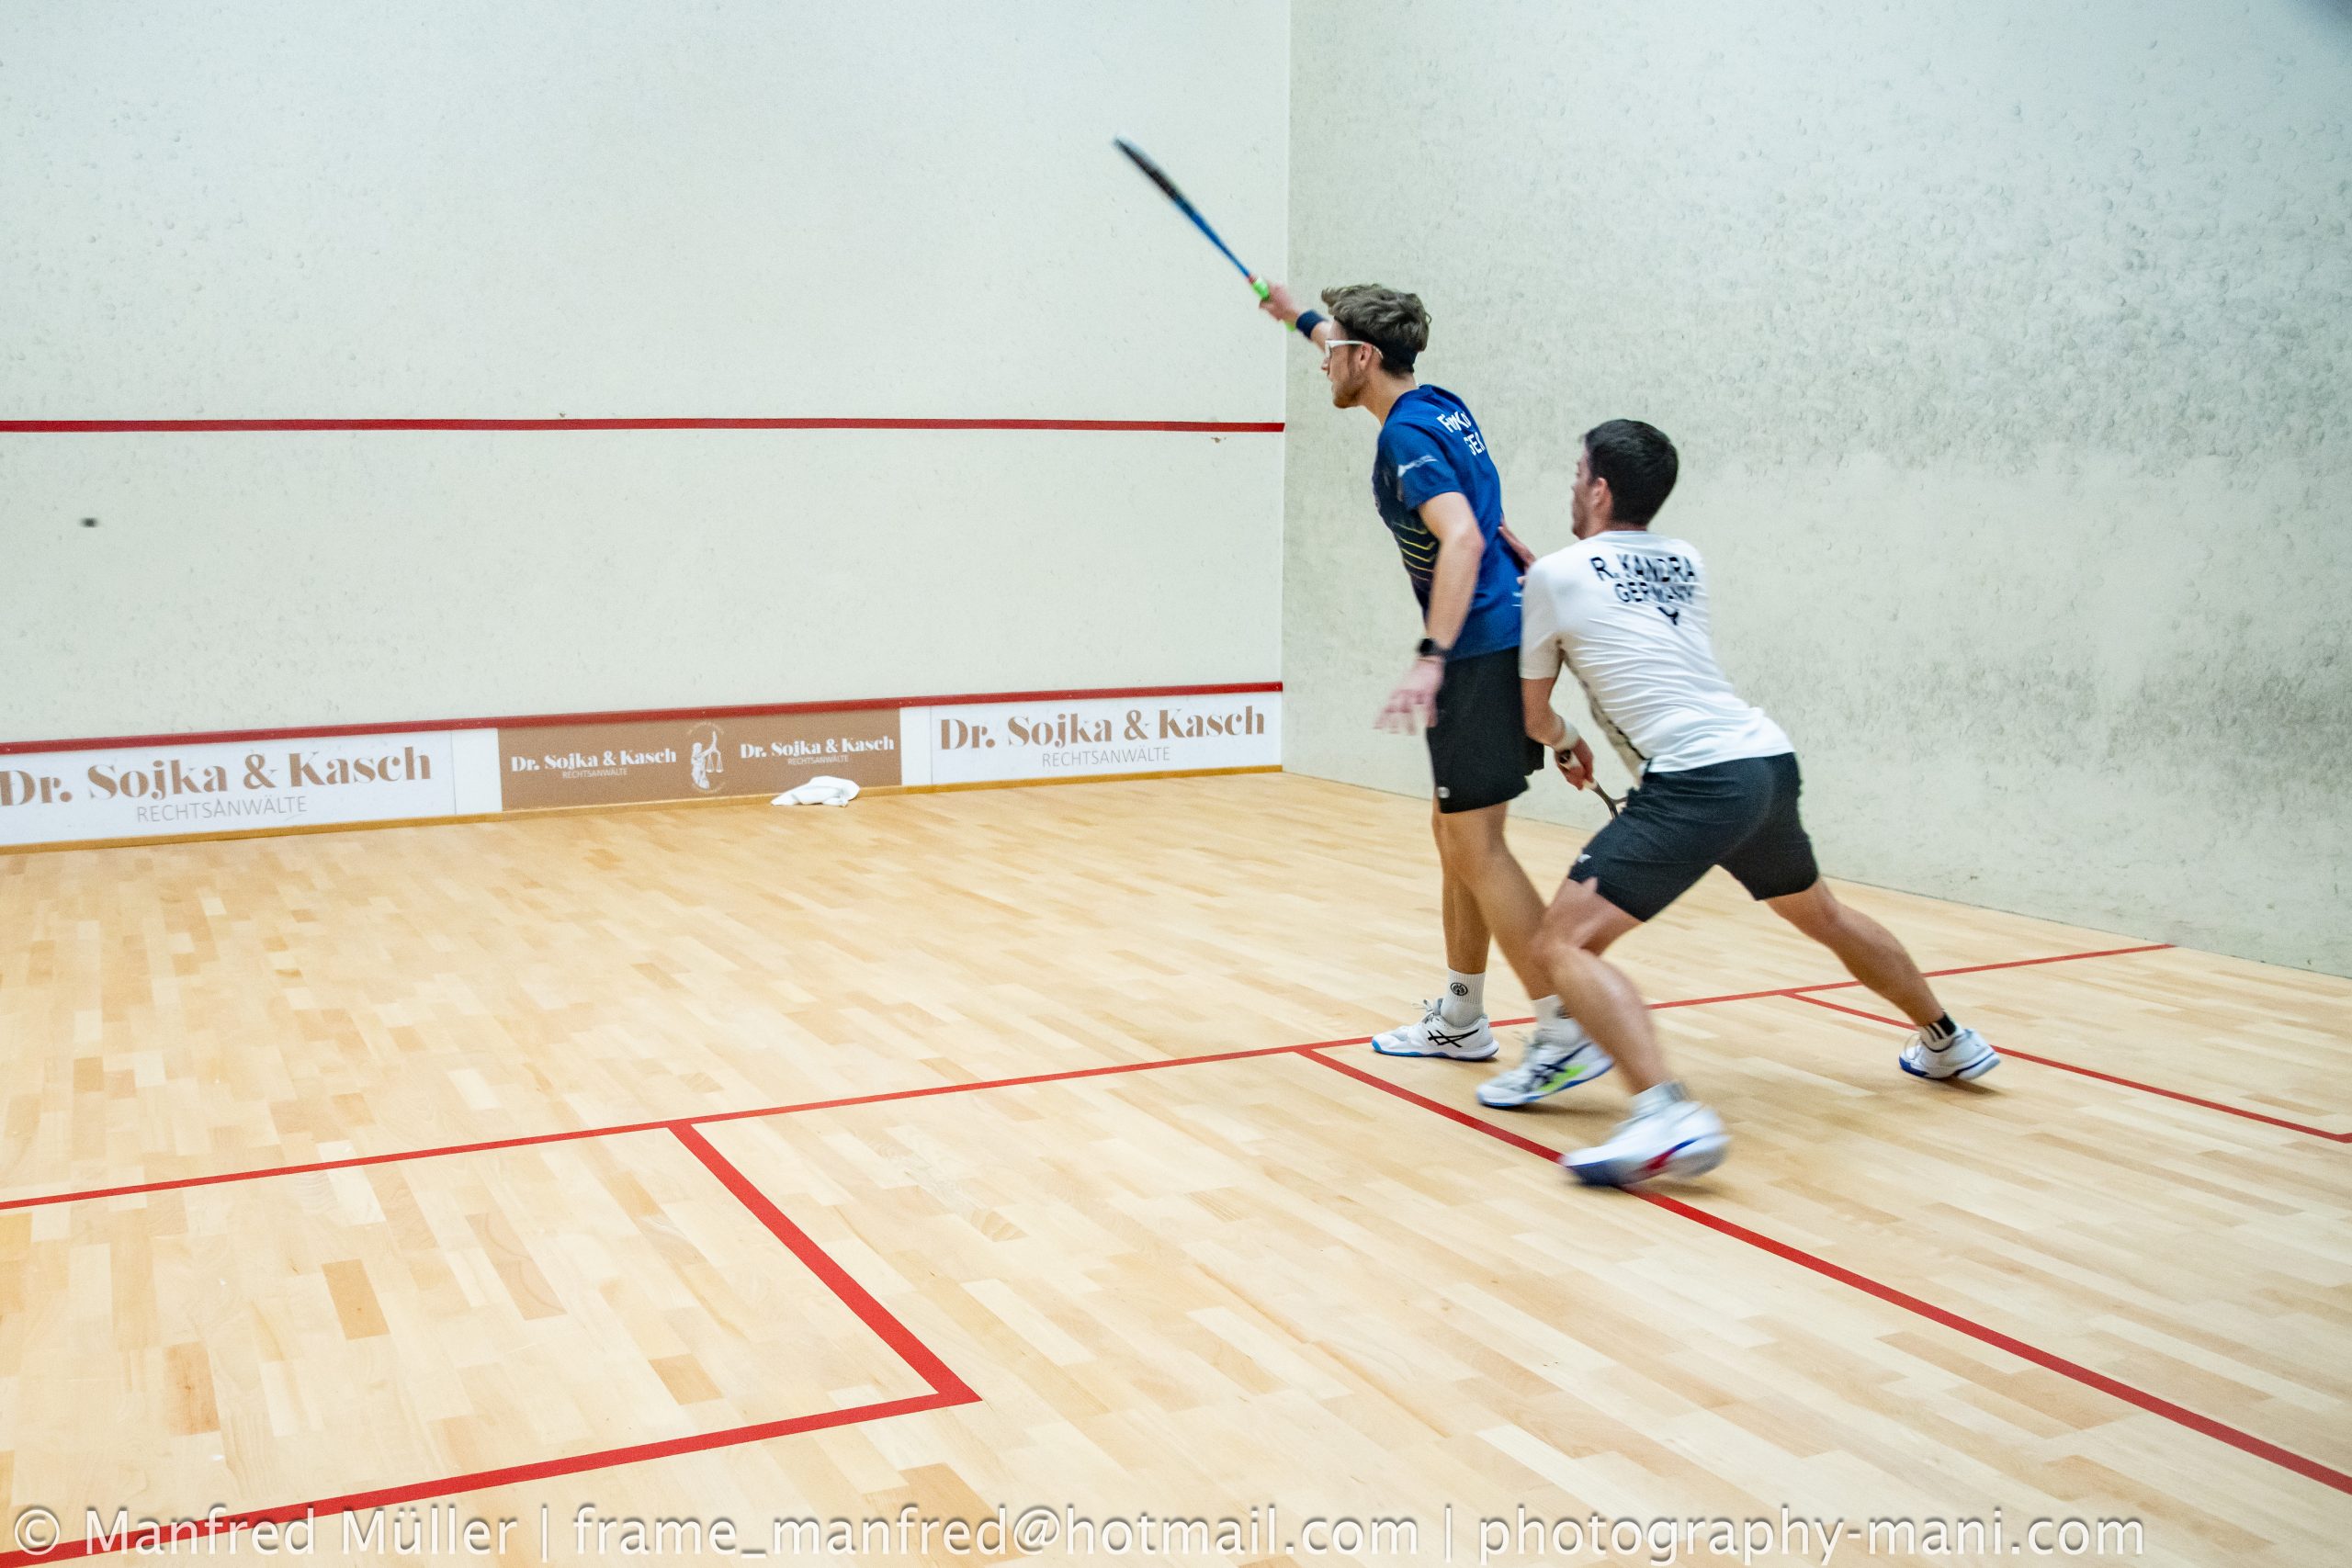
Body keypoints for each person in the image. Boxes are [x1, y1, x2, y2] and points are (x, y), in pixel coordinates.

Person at [1493, 418, 2000, 1187]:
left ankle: (1666, 1112)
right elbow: (1618, 603)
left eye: (1576, 473)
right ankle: (1948, 1039)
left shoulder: (1554, 579)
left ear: (1598, 489)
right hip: (1764, 762)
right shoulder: (1684, 559)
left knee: (1560, 944)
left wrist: (1566, 740)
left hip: (1696, 781)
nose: (1571, 485)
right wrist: (1550, 579)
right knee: (1823, 913)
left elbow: (1536, 715)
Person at [1257, 279, 1610, 1091]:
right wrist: (1293, 313)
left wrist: (1430, 653)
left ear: (1364, 357)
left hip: (1476, 648)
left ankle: (1565, 1028)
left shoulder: (1404, 437)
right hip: (1505, 634)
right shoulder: (1439, 405)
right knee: (1457, 834)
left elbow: (1460, 539)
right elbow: (1482, 521)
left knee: (1476, 846)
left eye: (1332, 350)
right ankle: (1461, 1017)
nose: (1322, 363)